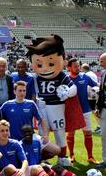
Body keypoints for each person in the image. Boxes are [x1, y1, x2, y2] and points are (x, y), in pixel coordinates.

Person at [26, 34, 76, 166]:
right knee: (43, 133)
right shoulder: (35, 78)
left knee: (60, 131)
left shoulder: (61, 76)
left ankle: (62, 157)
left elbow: (73, 88)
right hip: (41, 106)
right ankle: (44, 157)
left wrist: (67, 93)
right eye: (40, 64)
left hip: (57, 106)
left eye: (51, 63)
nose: (46, 68)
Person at [0, 120, 71, 176]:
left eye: (7, 130)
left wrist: (22, 170)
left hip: (19, 174)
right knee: (10, 167)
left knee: (37, 167)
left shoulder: (15, 144)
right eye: (2, 131)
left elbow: (24, 161)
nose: (5, 133)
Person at [20, 125, 99, 176]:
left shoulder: (37, 143)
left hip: (39, 168)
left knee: (58, 167)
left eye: (29, 132)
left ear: (33, 132)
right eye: (25, 132)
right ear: (22, 134)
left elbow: (39, 157)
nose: (27, 134)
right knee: (46, 168)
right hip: (31, 172)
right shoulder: (20, 145)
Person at [65, 58, 100, 164]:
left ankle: (90, 156)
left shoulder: (85, 76)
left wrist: (97, 90)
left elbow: (96, 85)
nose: (77, 68)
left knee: (88, 133)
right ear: (69, 67)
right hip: (71, 111)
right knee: (71, 134)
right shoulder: (65, 79)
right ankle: (71, 155)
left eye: (78, 66)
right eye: (75, 66)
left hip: (85, 110)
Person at [81, 63, 101, 133]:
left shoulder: (86, 75)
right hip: (95, 94)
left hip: (91, 95)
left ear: (83, 69)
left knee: (94, 111)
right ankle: (99, 126)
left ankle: (100, 126)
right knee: (94, 111)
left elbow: (88, 85)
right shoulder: (93, 74)